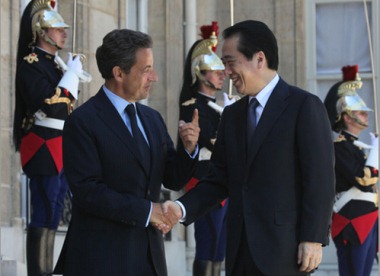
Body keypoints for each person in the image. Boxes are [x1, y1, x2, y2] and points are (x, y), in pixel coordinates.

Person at [162, 20, 335, 275]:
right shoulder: (232, 115)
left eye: (231, 62)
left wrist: (313, 237)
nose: (226, 71)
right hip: (239, 252)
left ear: (259, 59)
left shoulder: (304, 106)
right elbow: (218, 179)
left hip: (285, 251)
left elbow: (320, 179)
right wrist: (181, 208)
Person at [53, 28, 200, 276]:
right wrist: (146, 211)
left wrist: (189, 149)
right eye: (146, 70)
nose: (154, 77)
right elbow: (87, 191)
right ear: (118, 73)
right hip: (102, 259)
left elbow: (172, 178)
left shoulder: (152, 118)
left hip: (150, 258)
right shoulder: (83, 120)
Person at [13, 0, 86, 275]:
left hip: (60, 142)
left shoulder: (55, 65)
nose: (64, 34)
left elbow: (67, 108)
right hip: (42, 144)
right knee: (44, 211)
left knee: (55, 213)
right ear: (41, 32)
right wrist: (69, 77)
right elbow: (50, 104)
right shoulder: (32, 63)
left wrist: (68, 74)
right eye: (57, 29)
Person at [178, 21, 233, 276]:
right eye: (215, 71)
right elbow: (210, 140)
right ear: (201, 73)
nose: (222, 75)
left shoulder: (220, 107)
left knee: (220, 247)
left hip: (223, 179)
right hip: (204, 178)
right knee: (207, 244)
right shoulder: (193, 104)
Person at [324, 65, 378, 276]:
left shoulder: (357, 147)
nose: (365, 115)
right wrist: (376, 153)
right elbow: (364, 180)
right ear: (346, 117)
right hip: (352, 219)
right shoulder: (340, 146)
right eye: (359, 112)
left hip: (367, 216)